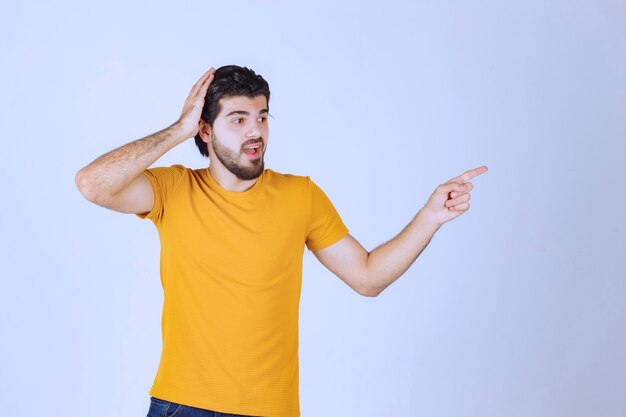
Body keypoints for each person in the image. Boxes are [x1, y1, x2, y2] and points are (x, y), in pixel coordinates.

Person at [75, 65, 488, 417]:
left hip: (273, 409)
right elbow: (93, 184)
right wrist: (179, 129)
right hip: (185, 405)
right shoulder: (173, 189)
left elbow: (367, 278)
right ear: (205, 129)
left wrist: (431, 216)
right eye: (237, 119)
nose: (255, 131)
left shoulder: (300, 196)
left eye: (262, 117)